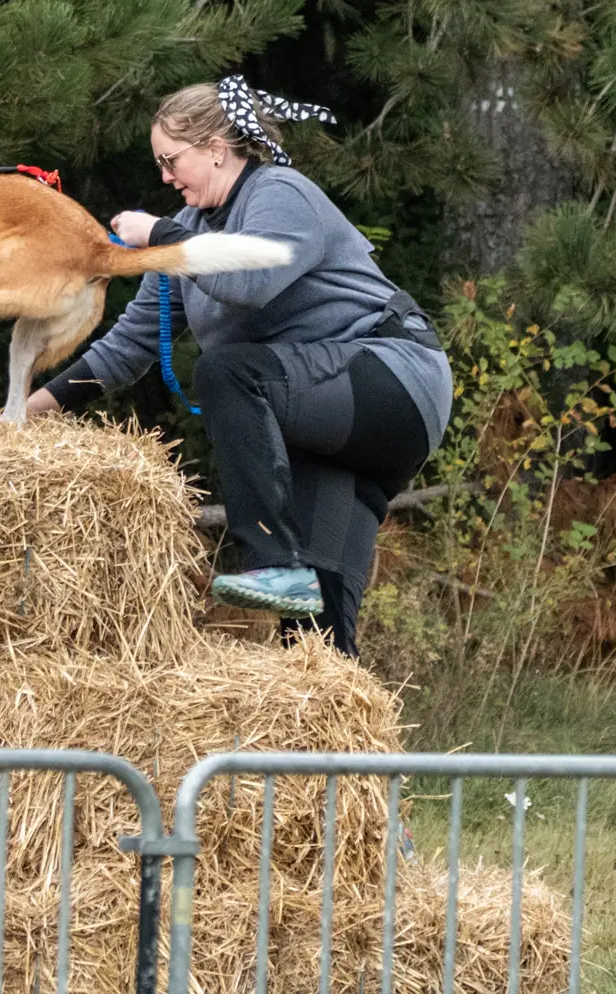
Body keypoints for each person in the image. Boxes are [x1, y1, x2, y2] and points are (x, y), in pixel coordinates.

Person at [24, 76, 453, 654]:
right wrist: (28, 411)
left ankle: (268, 562)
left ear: (216, 148)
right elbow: (129, 347)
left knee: (228, 372)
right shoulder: (190, 234)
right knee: (314, 636)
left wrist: (161, 234)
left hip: (392, 381)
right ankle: (327, 727)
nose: (165, 178)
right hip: (338, 427)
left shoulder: (279, 192)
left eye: (171, 161)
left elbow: (251, 280)